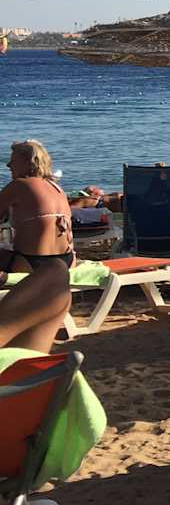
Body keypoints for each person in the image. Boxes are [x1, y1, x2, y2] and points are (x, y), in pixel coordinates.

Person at [0, 140, 74, 351]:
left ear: (27, 161)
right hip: (66, 261)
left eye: (12, 161)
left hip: (33, 263)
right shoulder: (56, 187)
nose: (8, 166)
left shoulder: (19, 185)